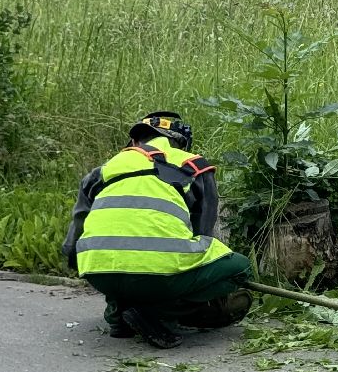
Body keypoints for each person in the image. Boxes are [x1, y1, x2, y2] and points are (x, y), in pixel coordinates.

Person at [63, 112, 253, 348]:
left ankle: (118, 315)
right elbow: (203, 232)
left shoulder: (102, 171)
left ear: (134, 142)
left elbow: (75, 237)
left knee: (122, 257)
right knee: (239, 268)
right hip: (158, 272)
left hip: (97, 270)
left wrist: (81, 263)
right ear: (180, 142)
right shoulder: (192, 165)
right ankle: (154, 311)